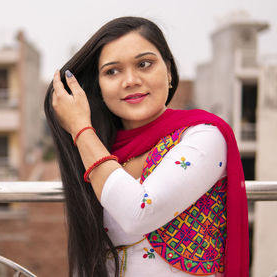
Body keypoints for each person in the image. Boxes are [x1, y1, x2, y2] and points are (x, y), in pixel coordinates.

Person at [44, 17, 249, 277]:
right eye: (112, 71)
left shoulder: (203, 136)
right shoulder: (102, 149)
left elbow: (139, 212)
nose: (130, 80)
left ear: (169, 71)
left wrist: (80, 128)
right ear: (98, 87)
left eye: (144, 64)